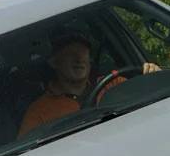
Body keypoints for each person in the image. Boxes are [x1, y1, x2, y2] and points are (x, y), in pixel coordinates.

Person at [18, 33, 160, 136]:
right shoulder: (39, 113)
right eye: (71, 54)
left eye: (84, 53)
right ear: (53, 62)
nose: (79, 59)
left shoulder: (113, 83)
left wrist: (155, 78)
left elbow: (152, 101)